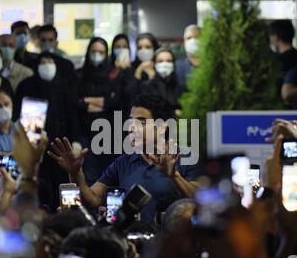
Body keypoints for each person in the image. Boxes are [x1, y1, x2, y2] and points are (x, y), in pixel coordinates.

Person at [48, 93, 199, 222]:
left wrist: (173, 176)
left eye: (141, 122)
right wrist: (75, 173)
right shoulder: (122, 163)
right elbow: (92, 199)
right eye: (130, 122)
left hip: (171, 247)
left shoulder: (186, 157)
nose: (132, 128)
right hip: (132, 246)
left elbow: (200, 201)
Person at [15, 52, 81, 211]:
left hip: (62, 145)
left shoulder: (65, 86)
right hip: (36, 147)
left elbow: (73, 115)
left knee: (65, 181)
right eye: (43, 62)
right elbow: (20, 116)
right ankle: (38, 212)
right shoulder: (27, 86)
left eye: (50, 61)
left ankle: (69, 214)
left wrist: (76, 141)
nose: (46, 65)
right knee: (40, 182)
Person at [76, 37, 122, 184]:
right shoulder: (79, 75)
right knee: (89, 176)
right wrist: (101, 102)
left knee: (108, 176)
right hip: (85, 133)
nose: (97, 55)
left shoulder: (113, 75)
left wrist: (87, 100)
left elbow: (113, 102)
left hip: (107, 133)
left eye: (101, 52)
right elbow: (76, 102)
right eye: (94, 51)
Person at [140, 48, 183, 115]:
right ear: (154, 64)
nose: (164, 64)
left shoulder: (180, 87)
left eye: (168, 61)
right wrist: (173, 113)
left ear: (173, 64)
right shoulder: (146, 87)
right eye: (160, 61)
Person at [109, 34, 138, 121]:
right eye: (118, 47)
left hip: (129, 115)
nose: (121, 49)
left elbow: (131, 92)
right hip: (111, 117)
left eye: (125, 47)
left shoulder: (133, 68)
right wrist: (117, 70)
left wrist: (127, 69)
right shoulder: (108, 68)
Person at [176, 24, 201, 91]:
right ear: (184, 42)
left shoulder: (212, 66)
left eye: (197, 37)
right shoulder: (177, 67)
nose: (193, 41)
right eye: (189, 38)